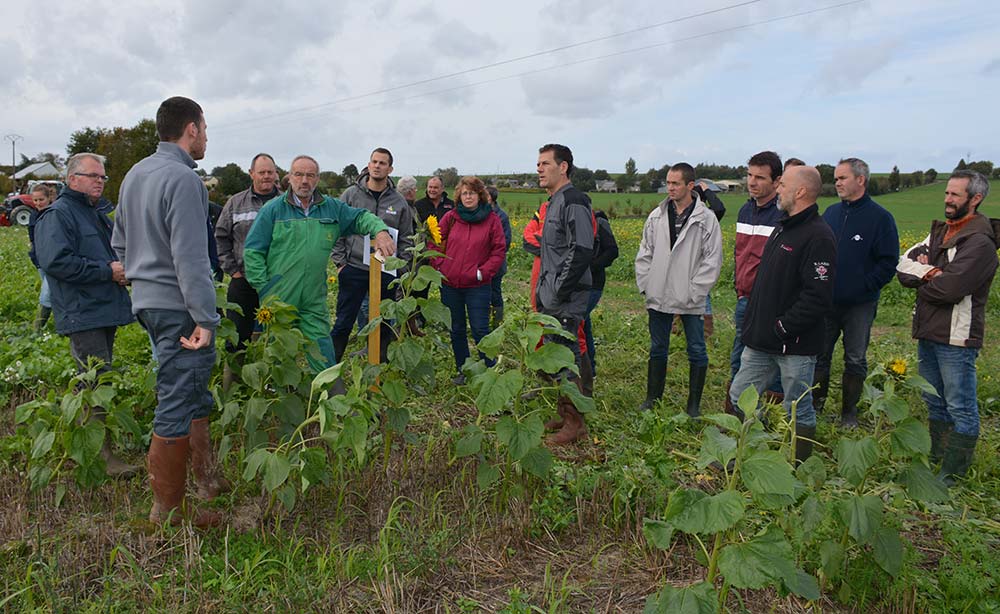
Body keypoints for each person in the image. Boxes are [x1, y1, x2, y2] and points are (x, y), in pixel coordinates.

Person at [113, 97, 226, 526]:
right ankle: (169, 512)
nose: (206, 137)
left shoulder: (135, 174)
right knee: (177, 397)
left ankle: (205, 480)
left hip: (148, 301)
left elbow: (119, 245)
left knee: (192, 388)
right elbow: (191, 257)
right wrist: (204, 318)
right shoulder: (183, 179)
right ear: (192, 128)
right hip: (179, 306)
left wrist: (142, 277)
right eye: (205, 127)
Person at [243, 155, 395, 371]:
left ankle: (329, 398)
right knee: (279, 356)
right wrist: (265, 288)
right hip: (279, 299)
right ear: (289, 177)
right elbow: (253, 251)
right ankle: (283, 397)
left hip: (313, 299)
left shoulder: (331, 208)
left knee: (323, 352)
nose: (304, 181)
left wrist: (380, 231)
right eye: (299, 174)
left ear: (317, 179)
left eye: (310, 175)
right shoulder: (273, 210)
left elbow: (361, 217)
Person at [37, 153, 137, 478]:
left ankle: (90, 449)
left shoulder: (93, 213)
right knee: (95, 382)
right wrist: (107, 271)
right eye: (93, 175)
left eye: (103, 177)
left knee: (97, 379)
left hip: (101, 308)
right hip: (82, 311)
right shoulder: (59, 214)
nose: (100, 181)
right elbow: (56, 262)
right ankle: (102, 457)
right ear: (72, 179)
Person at [896, 170, 998, 486]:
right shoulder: (942, 232)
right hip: (929, 331)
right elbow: (902, 266)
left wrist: (924, 277)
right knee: (935, 402)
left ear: (975, 199)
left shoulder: (980, 243)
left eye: (954, 195)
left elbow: (951, 290)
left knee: (960, 407)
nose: (947, 200)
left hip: (956, 337)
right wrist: (933, 273)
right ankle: (937, 462)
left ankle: (952, 477)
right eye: (946, 193)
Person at [729, 165, 836, 464]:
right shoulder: (782, 227)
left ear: (801, 191)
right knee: (739, 395)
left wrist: (781, 327)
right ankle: (753, 451)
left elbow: (817, 297)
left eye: (784, 184)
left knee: (797, 407)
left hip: (795, 345)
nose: (778, 189)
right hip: (762, 340)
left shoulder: (819, 236)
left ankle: (796, 466)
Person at [815, 158, 899, 427]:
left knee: (855, 358)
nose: (837, 182)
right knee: (819, 354)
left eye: (842, 178)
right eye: (836, 178)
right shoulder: (830, 214)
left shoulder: (880, 218)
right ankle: (815, 406)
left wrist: (863, 287)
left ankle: (848, 413)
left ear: (860, 180)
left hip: (859, 305)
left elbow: (888, 263)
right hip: (826, 302)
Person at [635, 163, 723, 416]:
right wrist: (647, 285)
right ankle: (653, 398)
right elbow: (645, 253)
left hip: (690, 298)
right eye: (668, 183)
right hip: (658, 295)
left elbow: (712, 260)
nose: (670, 188)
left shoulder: (705, 220)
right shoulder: (657, 216)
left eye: (675, 183)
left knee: (696, 349)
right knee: (657, 347)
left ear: (690, 186)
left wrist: (695, 292)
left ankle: (693, 406)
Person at [535, 144, 595, 445]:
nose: (540, 169)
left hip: (567, 297)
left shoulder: (574, 200)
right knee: (557, 355)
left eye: (546, 163)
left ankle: (575, 423)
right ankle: (564, 412)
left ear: (564, 167)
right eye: (538, 164)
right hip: (552, 295)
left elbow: (582, 250)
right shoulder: (554, 201)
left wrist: (558, 290)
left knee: (567, 356)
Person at [331, 148, 414, 363]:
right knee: (343, 321)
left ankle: (379, 363)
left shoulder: (399, 202)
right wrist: (341, 264)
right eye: (374, 162)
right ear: (368, 165)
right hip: (355, 267)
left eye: (382, 163)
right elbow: (336, 229)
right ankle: (329, 366)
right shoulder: (351, 195)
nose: (377, 166)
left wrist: (401, 268)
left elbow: (406, 237)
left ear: (390, 169)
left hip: (386, 271)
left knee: (384, 320)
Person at [429, 176, 506, 382]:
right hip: (450, 284)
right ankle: (464, 370)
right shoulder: (451, 217)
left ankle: (490, 373)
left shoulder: (492, 220)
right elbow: (434, 242)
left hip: (478, 285)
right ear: (459, 196)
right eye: (464, 193)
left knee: (480, 328)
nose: (468, 196)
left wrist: (482, 272)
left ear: (480, 195)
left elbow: (498, 251)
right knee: (456, 328)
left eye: (472, 193)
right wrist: (440, 265)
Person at [727, 151, 785, 414]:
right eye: (750, 175)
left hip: (771, 301)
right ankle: (736, 412)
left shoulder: (783, 215)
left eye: (760, 177)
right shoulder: (745, 210)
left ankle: (769, 416)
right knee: (738, 353)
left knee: (770, 360)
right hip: (745, 297)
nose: (752, 182)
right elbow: (741, 253)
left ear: (777, 181)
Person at [215, 153, 281, 364]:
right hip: (243, 279)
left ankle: (273, 382)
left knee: (279, 334)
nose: (266, 176)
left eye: (270, 172)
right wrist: (232, 270)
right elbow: (221, 237)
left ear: (276, 174)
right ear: (251, 174)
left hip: (278, 281)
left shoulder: (287, 202)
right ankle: (235, 384)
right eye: (261, 172)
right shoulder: (236, 203)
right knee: (236, 335)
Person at [583, 209, 619, 376]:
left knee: (576, 321)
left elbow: (612, 251)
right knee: (584, 324)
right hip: (576, 284)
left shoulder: (599, 222)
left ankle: (584, 370)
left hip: (593, 283)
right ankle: (590, 369)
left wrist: (591, 267)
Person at [28, 184, 56, 332]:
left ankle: (36, 330)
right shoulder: (33, 215)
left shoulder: (55, 214)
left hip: (53, 261)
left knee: (47, 294)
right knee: (53, 292)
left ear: (49, 198)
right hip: (39, 261)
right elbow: (32, 239)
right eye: (36, 200)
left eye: (41, 199)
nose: (38, 203)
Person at [486, 185, 512, 327]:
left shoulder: (501, 217)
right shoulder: (481, 213)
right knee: (483, 294)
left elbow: (505, 242)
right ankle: (484, 320)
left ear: (490, 198)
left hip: (496, 263)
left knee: (495, 293)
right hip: (481, 263)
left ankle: (497, 323)